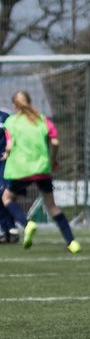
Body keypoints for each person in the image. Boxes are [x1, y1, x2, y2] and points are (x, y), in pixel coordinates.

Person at [2, 90, 82, 253]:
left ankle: (27, 224)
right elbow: (55, 141)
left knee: (7, 198)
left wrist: (7, 154)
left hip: (20, 169)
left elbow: (9, 145)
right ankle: (72, 242)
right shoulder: (42, 120)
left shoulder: (11, 122)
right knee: (52, 206)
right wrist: (53, 159)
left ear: (14, 106)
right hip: (42, 168)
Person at [0, 104, 16, 243]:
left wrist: (9, 151)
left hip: (4, 162)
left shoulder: (6, 116)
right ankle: (5, 231)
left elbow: (14, 136)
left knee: (3, 193)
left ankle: (10, 229)